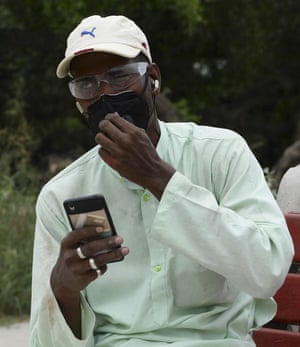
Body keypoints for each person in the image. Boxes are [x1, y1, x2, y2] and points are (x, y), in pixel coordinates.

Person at [29, 14, 294, 347]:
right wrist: (64, 290)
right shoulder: (62, 193)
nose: (104, 94)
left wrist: (158, 178)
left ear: (152, 79)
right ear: (78, 100)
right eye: (87, 84)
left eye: (119, 76)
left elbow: (266, 271)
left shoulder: (220, 154)